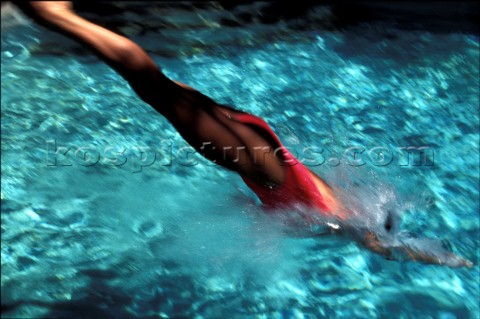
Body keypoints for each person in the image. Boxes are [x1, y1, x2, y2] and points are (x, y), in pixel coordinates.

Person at [15, 1, 473, 268]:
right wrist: (447, 260)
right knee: (150, 84)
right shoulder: (338, 221)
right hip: (253, 155)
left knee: (165, 87)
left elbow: (384, 236)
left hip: (257, 137)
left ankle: (65, 17)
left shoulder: (338, 205)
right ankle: (59, 17)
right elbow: (388, 247)